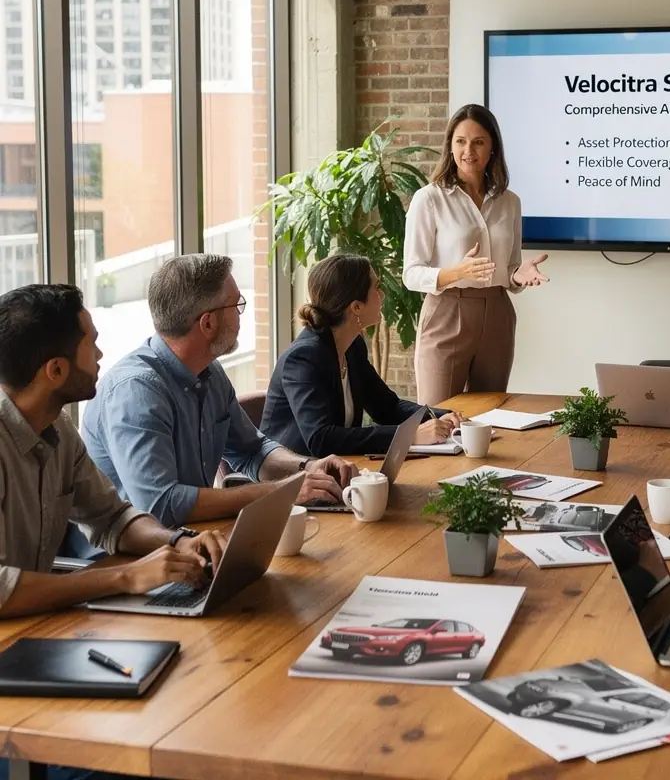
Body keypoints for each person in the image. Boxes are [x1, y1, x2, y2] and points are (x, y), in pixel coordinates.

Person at [0, 284, 229, 780]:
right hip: (14, 682)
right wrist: (122, 580)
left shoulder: (59, 430)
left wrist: (176, 542)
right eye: (91, 342)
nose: (102, 353)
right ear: (55, 370)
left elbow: (112, 518)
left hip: (37, 645)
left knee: (195, 707)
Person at [81, 254, 355, 528]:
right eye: (236, 304)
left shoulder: (209, 372)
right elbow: (160, 505)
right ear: (208, 323)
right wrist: (285, 491)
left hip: (191, 541)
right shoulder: (136, 391)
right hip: (124, 561)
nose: (240, 315)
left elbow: (253, 450)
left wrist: (307, 468)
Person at [402, 104, 550, 404]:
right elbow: (411, 273)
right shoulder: (429, 199)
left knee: (489, 417)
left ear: (492, 146)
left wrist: (517, 274)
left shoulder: (510, 201)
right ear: (450, 146)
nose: (468, 150)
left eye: (478, 142)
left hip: (497, 313)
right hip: (447, 311)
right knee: (439, 418)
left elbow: (509, 267)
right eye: (460, 141)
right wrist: (457, 272)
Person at [261, 253, 463, 456]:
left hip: (334, 470)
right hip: (288, 477)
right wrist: (408, 435)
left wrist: (442, 417)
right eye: (376, 288)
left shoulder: (353, 347)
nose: (382, 295)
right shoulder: (303, 358)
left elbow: (387, 407)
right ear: (356, 307)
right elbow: (321, 439)